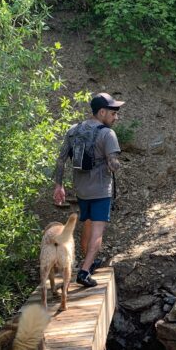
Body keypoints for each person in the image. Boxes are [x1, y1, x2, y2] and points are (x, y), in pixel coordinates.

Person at [53, 92, 124, 288]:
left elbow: (61, 160)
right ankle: (84, 273)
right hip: (101, 190)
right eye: (113, 113)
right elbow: (112, 163)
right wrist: (116, 163)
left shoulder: (74, 130)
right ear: (102, 112)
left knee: (88, 223)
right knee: (98, 231)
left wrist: (59, 185)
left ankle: (89, 262)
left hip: (82, 190)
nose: (116, 117)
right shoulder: (107, 134)